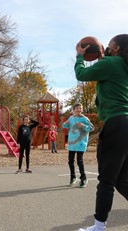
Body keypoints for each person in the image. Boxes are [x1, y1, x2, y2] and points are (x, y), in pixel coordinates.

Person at [75, 34, 128, 231]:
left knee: (106, 180)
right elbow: (108, 68)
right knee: (122, 180)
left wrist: (80, 55)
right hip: (125, 124)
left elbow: (81, 74)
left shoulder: (112, 63)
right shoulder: (121, 64)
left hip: (117, 122)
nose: (106, 47)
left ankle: (98, 227)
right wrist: (101, 56)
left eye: (110, 45)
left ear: (116, 49)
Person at [62, 103, 94, 188]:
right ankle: (73, 177)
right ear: (74, 110)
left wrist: (83, 126)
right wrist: (65, 124)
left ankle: (84, 178)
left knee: (79, 161)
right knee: (70, 161)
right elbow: (65, 125)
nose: (79, 110)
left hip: (81, 143)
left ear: (82, 110)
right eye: (77, 108)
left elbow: (91, 128)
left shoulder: (84, 119)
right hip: (72, 143)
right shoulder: (71, 118)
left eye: (80, 108)